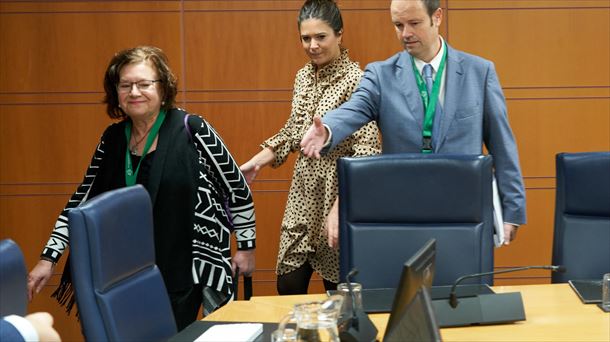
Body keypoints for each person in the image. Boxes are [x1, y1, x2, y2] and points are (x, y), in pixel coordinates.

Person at [26, 46, 256, 331]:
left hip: (183, 268)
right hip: (124, 273)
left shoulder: (191, 128)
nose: (135, 92)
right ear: (117, 93)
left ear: (163, 87)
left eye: (144, 84)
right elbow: (81, 201)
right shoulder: (112, 139)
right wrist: (49, 258)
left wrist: (246, 248)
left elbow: (237, 189)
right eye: (126, 85)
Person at [300, 0, 526, 242]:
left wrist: (512, 210)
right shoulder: (380, 75)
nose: (405, 33)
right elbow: (354, 108)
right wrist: (329, 128)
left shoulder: (479, 72)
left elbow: (502, 146)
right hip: (403, 213)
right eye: (398, 25)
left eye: (414, 23)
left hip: (465, 214)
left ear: (437, 17)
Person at [240, 0, 380, 295]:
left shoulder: (359, 80)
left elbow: (368, 151)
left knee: (339, 292)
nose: (312, 45)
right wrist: (258, 161)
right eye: (306, 38)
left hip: (339, 194)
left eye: (321, 37)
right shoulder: (303, 77)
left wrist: (341, 208)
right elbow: (293, 131)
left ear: (339, 35)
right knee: (288, 284)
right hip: (303, 194)